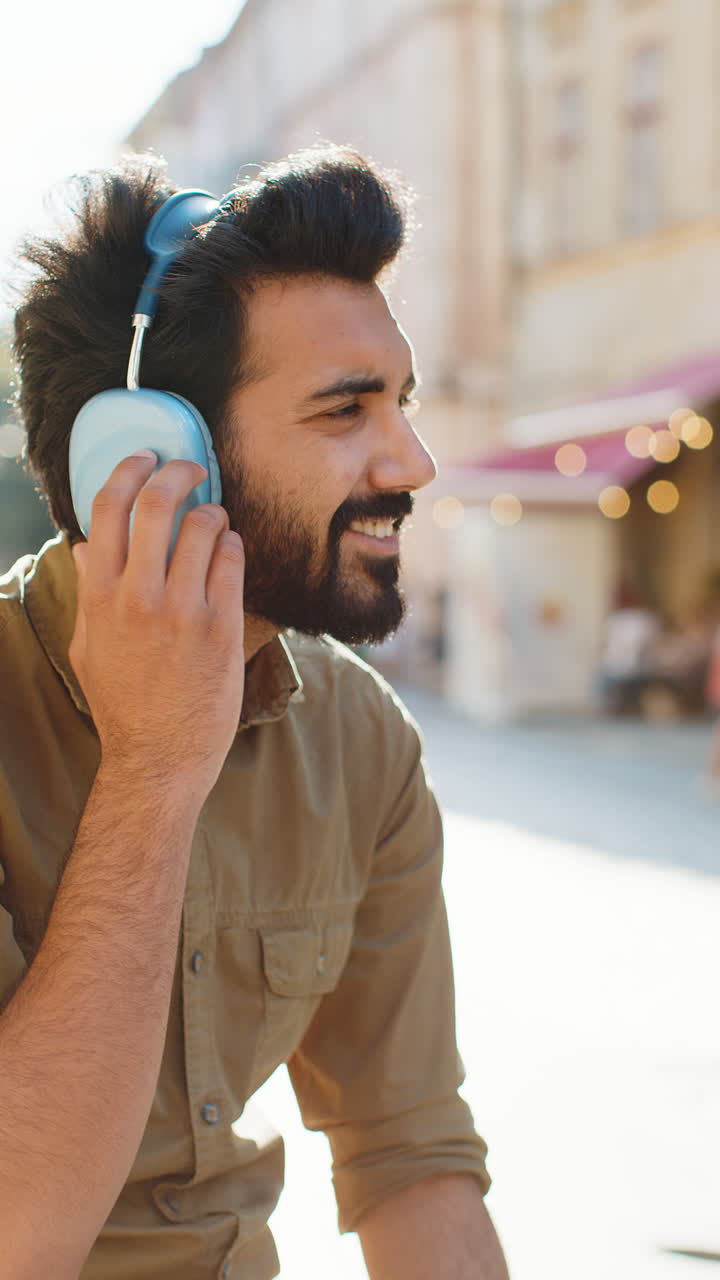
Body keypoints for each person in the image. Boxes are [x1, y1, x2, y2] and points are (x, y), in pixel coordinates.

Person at [0, 149, 509, 1279]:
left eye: (403, 402)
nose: (414, 461)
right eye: (346, 411)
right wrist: (152, 768)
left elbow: (412, 1158)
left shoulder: (361, 741)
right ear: (150, 459)